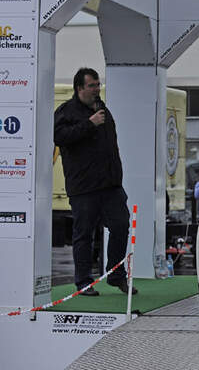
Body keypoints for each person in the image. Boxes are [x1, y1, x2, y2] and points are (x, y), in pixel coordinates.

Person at [54, 68, 136, 296]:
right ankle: (83, 282)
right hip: (84, 186)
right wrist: (89, 124)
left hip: (110, 185)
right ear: (79, 88)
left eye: (98, 84)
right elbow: (60, 138)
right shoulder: (66, 111)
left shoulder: (103, 110)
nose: (97, 89)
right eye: (92, 85)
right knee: (84, 234)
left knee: (120, 225)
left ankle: (115, 274)